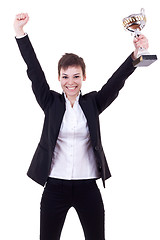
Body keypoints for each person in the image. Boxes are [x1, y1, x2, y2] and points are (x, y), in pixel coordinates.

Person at [14, 13, 149, 240]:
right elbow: (34, 71)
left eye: (76, 76)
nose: (71, 82)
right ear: (59, 78)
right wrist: (20, 33)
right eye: (65, 77)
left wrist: (136, 56)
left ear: (84, 76)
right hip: (55, 187)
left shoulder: (93, 103)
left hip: (88, 188)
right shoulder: (51, 103)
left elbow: (116, 82)